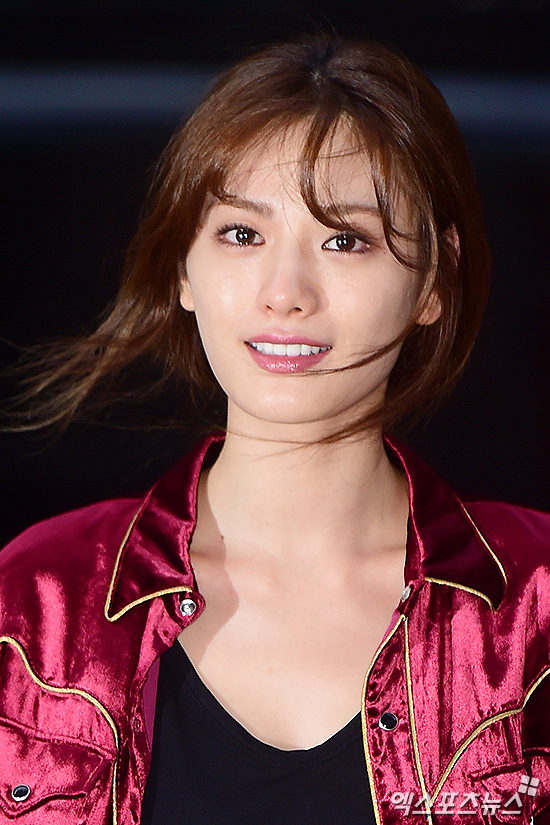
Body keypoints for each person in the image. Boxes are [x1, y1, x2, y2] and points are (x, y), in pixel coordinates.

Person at [1, 33, 550, 825]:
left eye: (344, 240)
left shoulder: (533, 608)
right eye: (242, 234)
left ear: (434, 279)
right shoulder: (37, 604)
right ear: (184, 268)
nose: (285, 292)